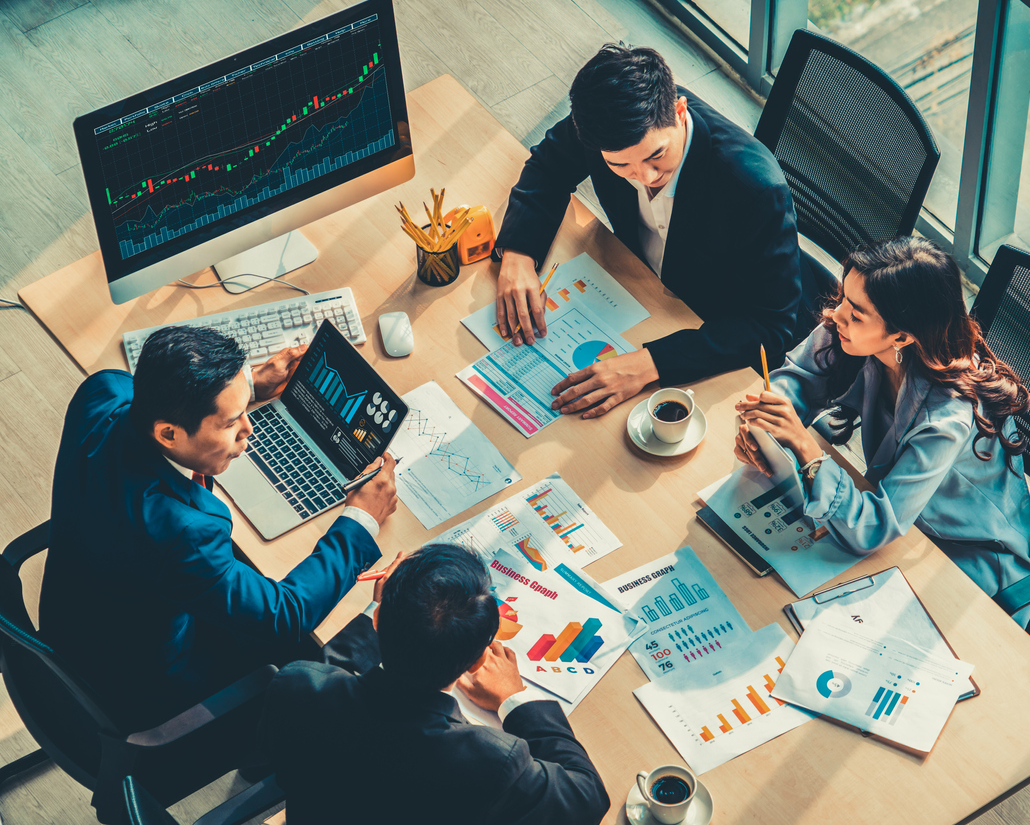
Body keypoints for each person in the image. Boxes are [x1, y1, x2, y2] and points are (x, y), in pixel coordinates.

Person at [40, 326, 398, 729]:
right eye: (231, 422)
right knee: (307, 655)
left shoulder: (103, 391)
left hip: (71, 617)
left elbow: (146, 388)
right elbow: (286, 615)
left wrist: (247, 387)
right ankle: (261, 756)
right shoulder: (183, 534)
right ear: (169, 434)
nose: (249, 428)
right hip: (139, 684)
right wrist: (361, 520)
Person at [734, 236, 1030, 627]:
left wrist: (803, 446)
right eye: (844, 300)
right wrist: (767, 422)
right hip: (901, 520)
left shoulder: (947, 418)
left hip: (967, 555)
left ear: (901, 336)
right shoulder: (855, 331)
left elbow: (877, 525)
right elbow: (797, 379)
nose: (837, 317)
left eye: (856, 313)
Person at [494, 43, 812, 418]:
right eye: (621, 165)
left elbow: (770, 326)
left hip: (704, 327)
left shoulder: (755, 188)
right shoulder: (607, 126)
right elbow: (549, 165)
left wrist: (650, 365)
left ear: (679, 112)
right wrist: (518, 254)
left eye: (656, 156)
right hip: (635, 290)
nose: (644, 177)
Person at [259, 543, 611, 825]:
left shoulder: (298, 686)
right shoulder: (493, 764)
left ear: (378, 618)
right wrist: (514, 701)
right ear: (477, 661)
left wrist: (387, 605)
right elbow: (588, 798)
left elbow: (333, 674)